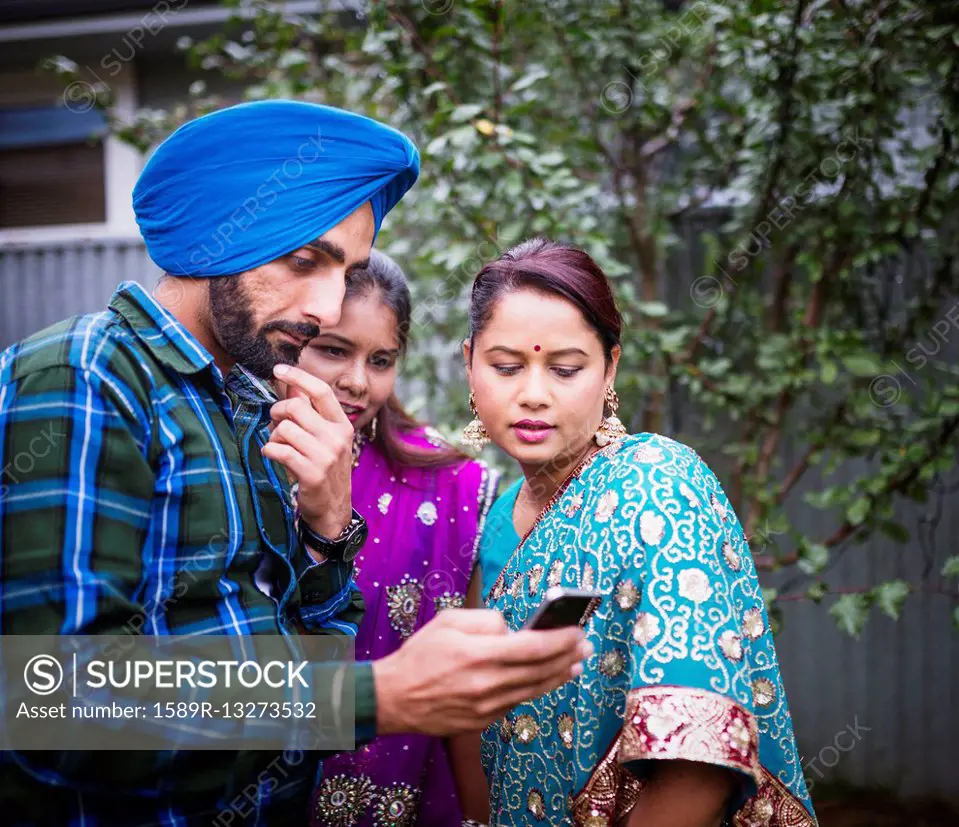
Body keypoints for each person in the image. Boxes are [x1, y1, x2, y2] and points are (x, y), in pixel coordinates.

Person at [0, 104, 588, 827]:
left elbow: (299, 678)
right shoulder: (90, 374)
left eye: (347, 270)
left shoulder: (253, 406)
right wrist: (386, 695)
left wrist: (328, 530)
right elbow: (51, 697)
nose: (327, 305)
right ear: (218, 231)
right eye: (304, 259)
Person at [452, 238, 818, 827]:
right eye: (506, 366)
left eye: (566, 368)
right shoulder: (490, 523)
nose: (534, 394)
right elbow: (469, 724)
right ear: (469, 363)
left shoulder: (656, 489)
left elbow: (696, 765)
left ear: (610, 369)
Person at [294, 250, 500, 827]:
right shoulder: (233, 465)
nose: (357, 382)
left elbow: (465, 700)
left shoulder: (449, 489)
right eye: (333, 349)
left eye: (380, 359)